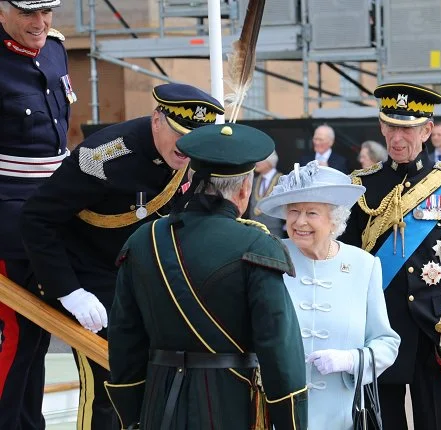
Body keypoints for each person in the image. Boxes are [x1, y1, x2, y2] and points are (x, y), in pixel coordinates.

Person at [20, 83, 224, 429]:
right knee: (108, 384)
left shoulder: (195, 154)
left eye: (193, 138)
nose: (185, 147)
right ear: (157, 119)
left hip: (141, 275)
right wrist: (68, 290)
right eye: (179, 134)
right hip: (88, 277)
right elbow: (37, 218)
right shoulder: (104, 156)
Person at [106, 123, 308, 430]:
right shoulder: (256, 246)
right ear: (244, 189)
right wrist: (291, 422)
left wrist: (133, 416)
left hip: (158, 408)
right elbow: (279, 349)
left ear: (190, 179)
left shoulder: (143, 241)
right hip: (231, 405)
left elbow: (124, 340)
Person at [342, 82, 441, 430]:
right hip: (379, 332)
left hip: (435, 336)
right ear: (381, 126)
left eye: (406, 128)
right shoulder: (359, 187)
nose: (397, 137)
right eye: (390, 126)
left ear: (427, 130)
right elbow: (344, 265)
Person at [257, 161, 400, 429]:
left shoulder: (363, 265)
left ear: (334, 220)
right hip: (278, 414)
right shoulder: (268, 257)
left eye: (311, 213)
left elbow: (386, 343)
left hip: (342, 415)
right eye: (293, 211)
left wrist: (350, 360)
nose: (300, 222)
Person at [0, 1, 72, 429]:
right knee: (15, 336)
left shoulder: (55, 49)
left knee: (38, 336)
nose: (40, 23)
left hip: (54, 215)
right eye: (29, 12)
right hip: (7, 220)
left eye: (47, 11)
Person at [247, 150, 285, 236]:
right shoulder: (255, 180)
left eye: (260, 160)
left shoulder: (283, 180)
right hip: (254, 229)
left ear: (270, 161)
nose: (256, 163)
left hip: (273, 231)